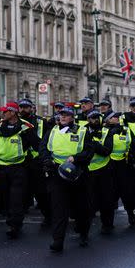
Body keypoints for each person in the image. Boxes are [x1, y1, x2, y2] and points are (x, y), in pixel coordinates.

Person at [40, 106, 94, 252]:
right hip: (58, 174)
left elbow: (89, 151)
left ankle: (83, 234)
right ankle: (58, 240)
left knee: (81, 207)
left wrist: (76, 158)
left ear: (72, 117)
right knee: (59, 208)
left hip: (78, 173)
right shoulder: (52, 131)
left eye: (66, 115)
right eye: (61, 115)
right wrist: (46, 160)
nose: (63, 117)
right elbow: (43, 148)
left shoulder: (82, 131)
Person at [0, 102, 36, 239]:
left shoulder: (25, 127)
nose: (3, 113)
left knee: (16, 198)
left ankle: (15, 225)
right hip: (1, 167)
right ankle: (10, 219)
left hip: (18, 167)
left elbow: (36, 144)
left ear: (12, 112)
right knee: (4, 197)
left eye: (5, 111)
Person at [104, 111, 135, 227]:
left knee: (127, 192)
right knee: (109, 195)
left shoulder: (125, 129)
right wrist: (111, 133)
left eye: (117, 116)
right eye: (114, 117)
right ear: (108, 120)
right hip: (108, 166)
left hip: (124, 165)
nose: (117, 118)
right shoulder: (103, 130)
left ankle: (131, 215)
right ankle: (107, 223)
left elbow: (134, 145)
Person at [19, 98, 50, 226]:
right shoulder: (17, 122)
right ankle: (18, 218)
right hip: (22, 160)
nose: (23, 109)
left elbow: (44, 142)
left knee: (41, 191)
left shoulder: (41, 122)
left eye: (26, 107)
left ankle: (48, 215)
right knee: (21, 190)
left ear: (32, 108)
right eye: (21, 107)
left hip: (37, 160)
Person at [85, 110, 115, 234]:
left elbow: (107, 150)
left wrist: (93, 144)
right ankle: (83, 228)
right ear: (88, 119)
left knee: (106, 199)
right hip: (87, 170)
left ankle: (107, 224)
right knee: (87, 200)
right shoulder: (82, 131)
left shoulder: (107, 131)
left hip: (104, 169)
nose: (95, 120)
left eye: (97, 117)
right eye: (92, 118)